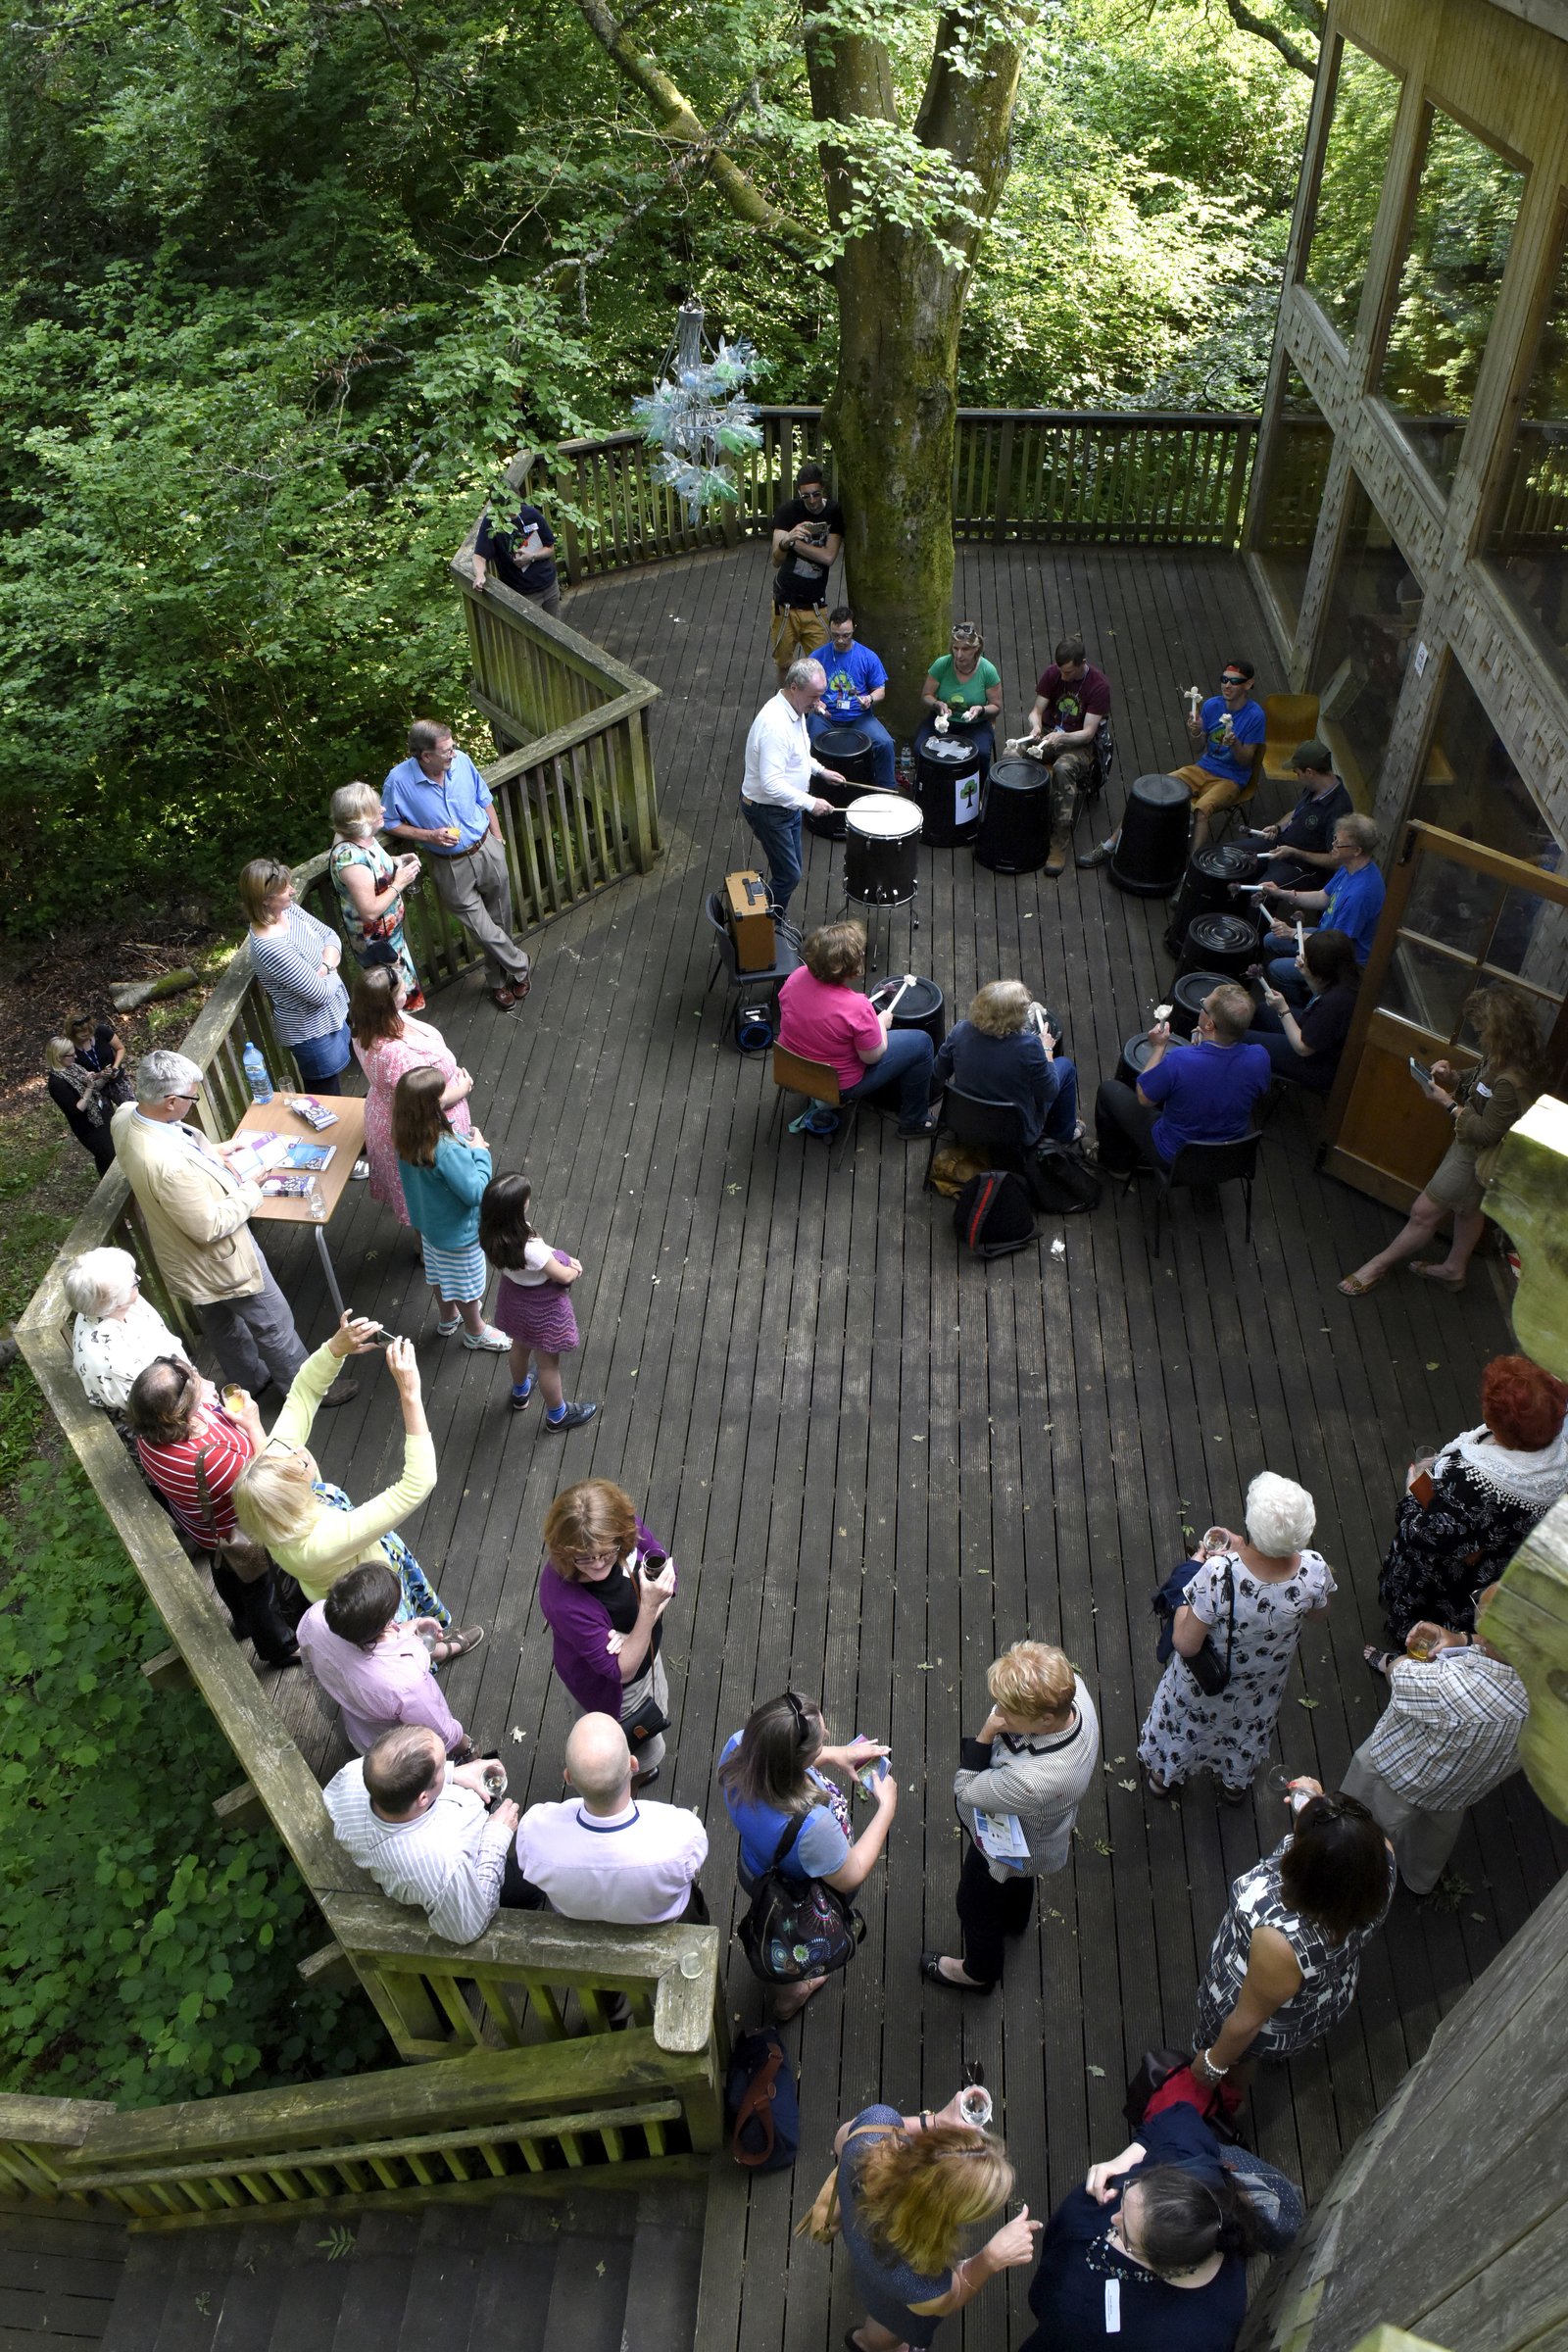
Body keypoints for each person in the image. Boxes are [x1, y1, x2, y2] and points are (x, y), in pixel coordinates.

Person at [112, 1051, 356, 1405]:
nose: (193, 1104)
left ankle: (251, 1381)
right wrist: (252, 1190)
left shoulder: (124, 1117)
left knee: (222, 1324)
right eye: (191, 1098)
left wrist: (216, 1153)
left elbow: (177, 1151)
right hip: (220, 1259)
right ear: (170, 1101)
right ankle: (310, 1391)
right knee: (274, 1323)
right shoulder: (168, 1165)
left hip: (181, 1259)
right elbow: (210, 1226)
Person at [232, 1318, 468, 1634]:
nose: (300, 1453)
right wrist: (410, 1394)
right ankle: (432, 1651)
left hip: (356, 1563)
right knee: (405, 1641)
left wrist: (334, 1349)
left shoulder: (268, 1492)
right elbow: (417, 1483)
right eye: (300, 1466)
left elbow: (302, 1393)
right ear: (295, 1498)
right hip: (373, 1601)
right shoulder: (318, 1544)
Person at [1016, 2105, 1303, 2352]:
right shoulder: (1191, 2179)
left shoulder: (1189, 2336)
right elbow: (1180, 2117)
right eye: (1133, 2186)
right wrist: (1125, 2160)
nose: (1112, 2220)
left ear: (1164, 2267)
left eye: (1127, 2236)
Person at [1339, 984, 1547, 1296]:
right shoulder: (1505, 1056)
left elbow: (1486, 1132)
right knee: (1468, 1210)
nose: (1479, 1037)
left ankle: (1377, 1266)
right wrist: (1453, 1077)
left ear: (1499, 1031)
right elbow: (1479, 1082)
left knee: (1424, 1213)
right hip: (1470, 1151)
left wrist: (1446, 1102)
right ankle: (1454, 1270)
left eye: (1482, 1030)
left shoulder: (1511, 1080)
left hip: (1475, 1155)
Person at [1138, 1475, 1334, 1802]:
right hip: (1261, 1688)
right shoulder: (1313, 1570)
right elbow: (1319, 1613)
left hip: (1205, 1686)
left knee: (1184, 1729)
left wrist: (1192, 1586)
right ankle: (1233, 1786)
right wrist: (1242, 1546)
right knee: (1243, 1733)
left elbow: (1186, 1644)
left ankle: (1162, 1779)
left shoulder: (1218, 1574)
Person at [921, 1639, 1101, 1992]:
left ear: (1045, 1718)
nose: (998, 1711)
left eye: (1008, 1709)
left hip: (1005, 1844)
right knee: (1020, 1880)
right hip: (1043, 1836)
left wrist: (987, 1732)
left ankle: (979, 1973)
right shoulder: (1075, 1693)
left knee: (973, 1906)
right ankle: (1016, 1921)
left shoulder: (1030, 1782)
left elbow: (967, 1788)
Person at [1190, 1785, 1395, 2085]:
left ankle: (1233, 2100)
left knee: (1240, 2062)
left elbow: (1247, 2022)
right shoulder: (1380, 1860)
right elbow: (1344, 1855)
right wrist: (1319, 1812)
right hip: (1322, 1994)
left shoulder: (1282, 1939)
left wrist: (1210, 2065)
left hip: (1259, 2011)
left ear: (1307, 1870)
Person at [717, 1690, 896, 2021]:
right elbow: (851, 1872)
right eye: (820, 1742)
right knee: (790, 1937)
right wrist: (887, 1807)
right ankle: (791, 1994)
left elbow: (774, 1755)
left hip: (753, 1867)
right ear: (796, 1760)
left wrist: (833, 1755)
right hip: (797, 1890)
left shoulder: (737, 1749)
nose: (827, 1737)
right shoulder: (812, 1827)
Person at [1348, 1584, 1530, 1893]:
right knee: (1434, 1836)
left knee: (1356, 1827)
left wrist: (1409, 1659)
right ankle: (1419, 1881)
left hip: (1400, 1775)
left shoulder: (1451, 1687)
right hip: (1465, 1784)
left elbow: (1399, 1673)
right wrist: (1462, 1640)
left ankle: (1348, 1874)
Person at [123, 1353, 302, 1667]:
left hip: (206, 1530)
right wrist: (252, 1423)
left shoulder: (149, 1435)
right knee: (262, 1588)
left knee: (226, 1570)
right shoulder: (209, 1460)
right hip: (241, 1529)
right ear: (179, 1411)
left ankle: (243, 1622)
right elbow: (269, 1478)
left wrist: (209, 1409)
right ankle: (279, 1647)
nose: (201, 1379)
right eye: (193, 1381)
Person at [1374, 1355, 1568, 1640]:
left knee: (1426, 1617)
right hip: (1490, 1561)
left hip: (1445, 1573)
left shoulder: (1475, 1482)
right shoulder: (1556, 1458)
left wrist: (1414, 1488)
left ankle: (1413, 1649)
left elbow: (1422, 1533)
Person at [831, 2097, 1039, 2350]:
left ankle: (861, 2341)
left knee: (873, 2303)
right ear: (950, 2215)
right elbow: (954, 2295)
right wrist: (991, 2258)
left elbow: (842, 2138)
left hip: (859, 2243)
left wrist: (934, 2121)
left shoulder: (876, 2125)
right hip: (891, 2299)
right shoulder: (922, 2284)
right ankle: (866, 2345)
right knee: (888, 2329)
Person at [324, 1724, 536, 1943]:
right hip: (466, 1877)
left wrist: (455, 1773)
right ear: (423, 1799)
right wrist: (495, 1836)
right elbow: (469, 1927)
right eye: (443, 1766)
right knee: (532, 1883)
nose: (448, 1766)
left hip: (398, 1864)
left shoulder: (354, 1776)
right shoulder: (442, 1862)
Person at [382, 719, 532, 1010]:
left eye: (453, 747)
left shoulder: (461, 761)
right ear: (426, 756)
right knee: (483, 929)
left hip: (486, 848)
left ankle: (499, 981)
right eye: (447, 751)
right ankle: (521, 965)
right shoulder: (398, 781)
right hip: (450, 865)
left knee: (500, 920)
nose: (455, 753)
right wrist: (428, 835)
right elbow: (389, 822)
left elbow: (484, 798)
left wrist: (498, 839)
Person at [539, 1480, 679, 1785]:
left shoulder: (622, 1531)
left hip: (647, 1659)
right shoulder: (563, 1598)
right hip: (613, 1694)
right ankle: (631, 1784)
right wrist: (648, 1611)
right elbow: (622, 1671)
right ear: (564, 1551)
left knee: (650, 1719)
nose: (597, 1563)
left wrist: (636, 1632)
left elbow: (667, 1577)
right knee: (624, 1755)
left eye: (605, 1552)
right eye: (584, 1557)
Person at [513, 1713, 710, 1924]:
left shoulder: (535, 1834)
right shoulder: (681, 1833)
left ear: (568, 1777)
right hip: (662, 1925)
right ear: (634, 1764)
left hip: (578, 1921)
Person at [1080, 661, 1264, 865]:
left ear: (1248, 685)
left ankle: (1193, 870)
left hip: (1231, 778)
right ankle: (1110, 845)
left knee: (1202, 810)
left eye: (1235, 681)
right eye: (1224, 680)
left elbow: (1247, 761)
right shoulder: (1212, 705)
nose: (1227, 685)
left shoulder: (1255, 716)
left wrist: (1235, 744)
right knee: (1150, 791)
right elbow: (1198, 747)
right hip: (1203, 768)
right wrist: (1195, 732)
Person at [776, 920, 937, 1139]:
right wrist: (880, 1023)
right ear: (847, 966)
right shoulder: (857, 1007)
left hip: (791, 1069)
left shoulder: (795, 977)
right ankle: (915, 1121)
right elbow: (873, 1057)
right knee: (922, 1043)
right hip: (837, 1086)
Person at [298, 1560, 478, 1756]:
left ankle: (442, 1651)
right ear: (385, 1624)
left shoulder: (315, 1618)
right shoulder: (406, 1683)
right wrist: (465, 1746)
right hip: (400, 1752)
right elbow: (442, 1733)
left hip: (364, 1735)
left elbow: (312, 1669)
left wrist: (413, 1625)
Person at [1093, 984, 1270, 1178]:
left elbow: (1144, 1098)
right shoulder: (1260, 1057)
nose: (1201, 1005)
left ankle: (1116, 1166)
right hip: (1229, 1156)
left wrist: (1159, 1047)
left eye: (1203, 1005)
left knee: (1108, 1090)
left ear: (1209, 1024)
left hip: (1176, 1155)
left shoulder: (1180, 1059)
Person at [391, 1066, 509, 1350]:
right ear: (431, 1105)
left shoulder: (404, 1134)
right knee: (466, 1287)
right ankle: (475, 1331)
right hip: (459, 1234)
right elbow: (475, 1192)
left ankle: (447, 1318)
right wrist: (480, 1152)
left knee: (439, 1275)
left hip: (430, 1228)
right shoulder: (443, 1147)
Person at [349, 968, 472, 1226]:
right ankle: (429, 1249)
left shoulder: (365, 1027)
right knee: (429, 1195)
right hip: (421, 1126)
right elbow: (423, 1103)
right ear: (388, 1003)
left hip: (385, 1113)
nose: (407, 986)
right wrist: (461, 1090)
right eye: (401, 988)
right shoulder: (397, 1057)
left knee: (415, 1192)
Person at [478, 1172, 598, 1431]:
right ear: (519, 1208)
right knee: (547, 1364)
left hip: (514, 1300)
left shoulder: (491, 1234)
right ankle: (558, 1415)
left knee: (519, 1347)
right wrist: (575, 1268)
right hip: (540, 1308)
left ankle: (520, 1392)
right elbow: (562, 1274)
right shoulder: (529, 1247)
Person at [238, 858, 353, 1090]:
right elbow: (318, 994)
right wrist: (332, 965)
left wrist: (324, 968)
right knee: (327, 1099)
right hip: (313, 1033)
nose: (293, 891)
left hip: (335, 1014)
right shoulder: (272, 947)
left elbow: (331, 936)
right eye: (285, 889)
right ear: (265, 900)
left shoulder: (289, 911)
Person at [739, 659, 841, 915]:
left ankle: (772, 923)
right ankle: (767, 927)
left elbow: (799, 754)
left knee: (791, 869)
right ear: (794, 687)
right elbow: (771, 784)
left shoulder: (796, 710)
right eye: (814, 696)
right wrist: (811, 803)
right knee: (789, 875)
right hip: (768, 810)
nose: (819, 702)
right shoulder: (776, 726)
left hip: (788, 807)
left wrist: (821, 771)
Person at [931, 982, 1080, 1150]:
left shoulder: (960, 1031)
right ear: (1014, 1018)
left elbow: (938, 1072)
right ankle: (1063, 1135)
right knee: (1065, 1066)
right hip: (1016, 1131)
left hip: (964, 1119)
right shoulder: (1030, 1047)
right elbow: (1050, 1091)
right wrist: (1046, 1050)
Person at [1259, 815, 1384, 998]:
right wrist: (1281, 893)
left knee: (1277, 969)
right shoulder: (1350, 868)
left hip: (1341, 963)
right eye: (1334, 839)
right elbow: (1322, 897)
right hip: (1325, 936)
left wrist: (1293, 933)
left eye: (1338, 843)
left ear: (1356, 850)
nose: (1332, 845)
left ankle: (1304, 1007)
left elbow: (1335, 948)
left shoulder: (1360, 895)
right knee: (1271, 940)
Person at [327, 782, 425, 1010]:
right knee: (393, 999)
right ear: (358, 819)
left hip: (391, 938)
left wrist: (394, 861)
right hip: (378, 946)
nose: (383, 809)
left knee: (401, 993)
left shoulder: (363, 838)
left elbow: (371, 864)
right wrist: (399, 882)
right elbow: (369, 910)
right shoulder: (349, 858)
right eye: (375, 808)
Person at [1027, 636, 1111, 876]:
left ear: (1082, 663)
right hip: (1047, 734)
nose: (1063, 677)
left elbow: (1087, 734)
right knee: (1012, 753)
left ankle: (1058, 842)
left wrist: (1061, 738)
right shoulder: (1052, 673)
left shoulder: (1098, 686)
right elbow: (1036, 711)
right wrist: (1035, 727)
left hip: (1077, 745)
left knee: (1064, 770)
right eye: (1061, 670)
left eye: (1069, 672)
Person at [66, 1247, 181, 1411]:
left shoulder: (121, 1304)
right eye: (135, 1283)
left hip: (175, 1386)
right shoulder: (107, 1359)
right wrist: (196, 1391)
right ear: (114, 1301)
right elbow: (151, 1407)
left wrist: (194, 1376)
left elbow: (167, 1341)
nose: (139, 1278)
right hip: (157, 1415)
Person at [1232, 739, 1352, 890]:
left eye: (1297, 772)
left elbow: (1336, 860)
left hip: (1304, 868)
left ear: (1309, 772)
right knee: (1231, 856)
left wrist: (1296, 853)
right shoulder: (1314, 786)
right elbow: (1297, 812)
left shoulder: (1339, 809)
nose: (1296, 777)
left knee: (1260, 893)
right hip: (1281, 845)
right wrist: (1278, 827)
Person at [1250, 928, 1360, 1091]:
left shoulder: (1335, 1004)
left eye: (1308, 960)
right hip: (1315, 1032)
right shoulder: (1348, 977)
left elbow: (1303, 1048)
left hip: (1318, 1063)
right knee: (1261, 1011)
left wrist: (1283, 1009)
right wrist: (1307, 975)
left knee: (1243, 1039)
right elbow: (1321, 992)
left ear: (1321, 968)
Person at [808, 605, 897, 792]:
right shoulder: (818, 657)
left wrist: (870, 699)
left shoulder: (868, 657)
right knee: (808, 743)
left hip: (858, 717)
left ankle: (886, 789)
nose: (840, 640)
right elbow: (806, 690)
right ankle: (810, 788)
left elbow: (880, 690)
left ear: (854, 628)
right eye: (836, 635)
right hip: (826, 717)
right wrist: (815, 701)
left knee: (885, 743)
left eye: (845, 635)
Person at [770, 462, 844, 677]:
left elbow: (829, 556)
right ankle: (786, 708)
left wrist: (795, 544)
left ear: (823, 490)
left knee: (821, 666)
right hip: (785, 604)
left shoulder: (833, 511)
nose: (811, 500)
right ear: (799, 494)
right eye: (806, 496)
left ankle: (815, 709)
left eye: (816, 494)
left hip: (815, 605)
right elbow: (776, 560)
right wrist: (785, 541)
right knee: (784, 663)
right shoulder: (788, 512)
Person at [914, 622, 1003, 780]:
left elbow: (996, 706)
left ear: (976, 649)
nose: (959, 655)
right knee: (919, 747)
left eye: (965, 649)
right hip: (943, 721)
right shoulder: (942, 665)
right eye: (956, 648)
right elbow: (926, 695)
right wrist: (937, 704)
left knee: (980, 754)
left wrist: (981, 710)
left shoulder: (987, 670)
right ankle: (924, 787)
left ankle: (979, 793)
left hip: (976, 725)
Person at [45, 1015, 131, 1172]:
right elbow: (76, 1110)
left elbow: (88, 1078)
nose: (76, 1056)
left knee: (116, 1148)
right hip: (90, 1127)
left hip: (101, 1114)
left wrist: (101, 1075)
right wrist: (90, 1088)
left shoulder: (72, 1068)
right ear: (59, 1058)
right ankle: (110, 1192)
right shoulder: (57, 1083)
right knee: (108, 1156)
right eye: (72, 1055)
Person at [472, 493, 562, 617]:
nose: (513, 512)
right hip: (523, 594)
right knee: (533, 633)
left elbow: (550, 548)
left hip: (549, 585)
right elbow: (479, 556)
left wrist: (532, 556)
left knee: (557, 628)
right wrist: (480, 575)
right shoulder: (492, 523)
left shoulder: (531, 514)